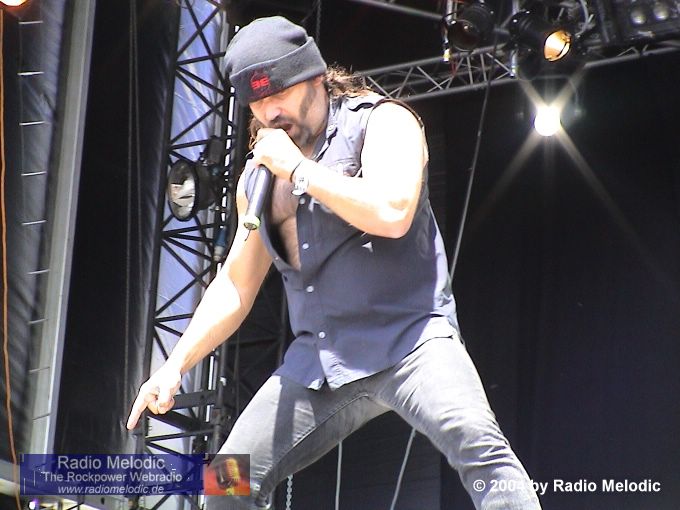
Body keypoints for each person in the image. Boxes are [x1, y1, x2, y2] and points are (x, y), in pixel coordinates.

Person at [127, 16, 541, 510]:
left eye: (279, 93)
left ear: (315, 77)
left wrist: (300, 171)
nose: (269, 111)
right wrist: (174, 366)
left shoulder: (383, 122)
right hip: (321, 359)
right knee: (225, 481)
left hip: (412, 340)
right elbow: (236, 284)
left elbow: (392, 213)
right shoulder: (257, 180)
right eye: (257, 103)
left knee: (482, 450)